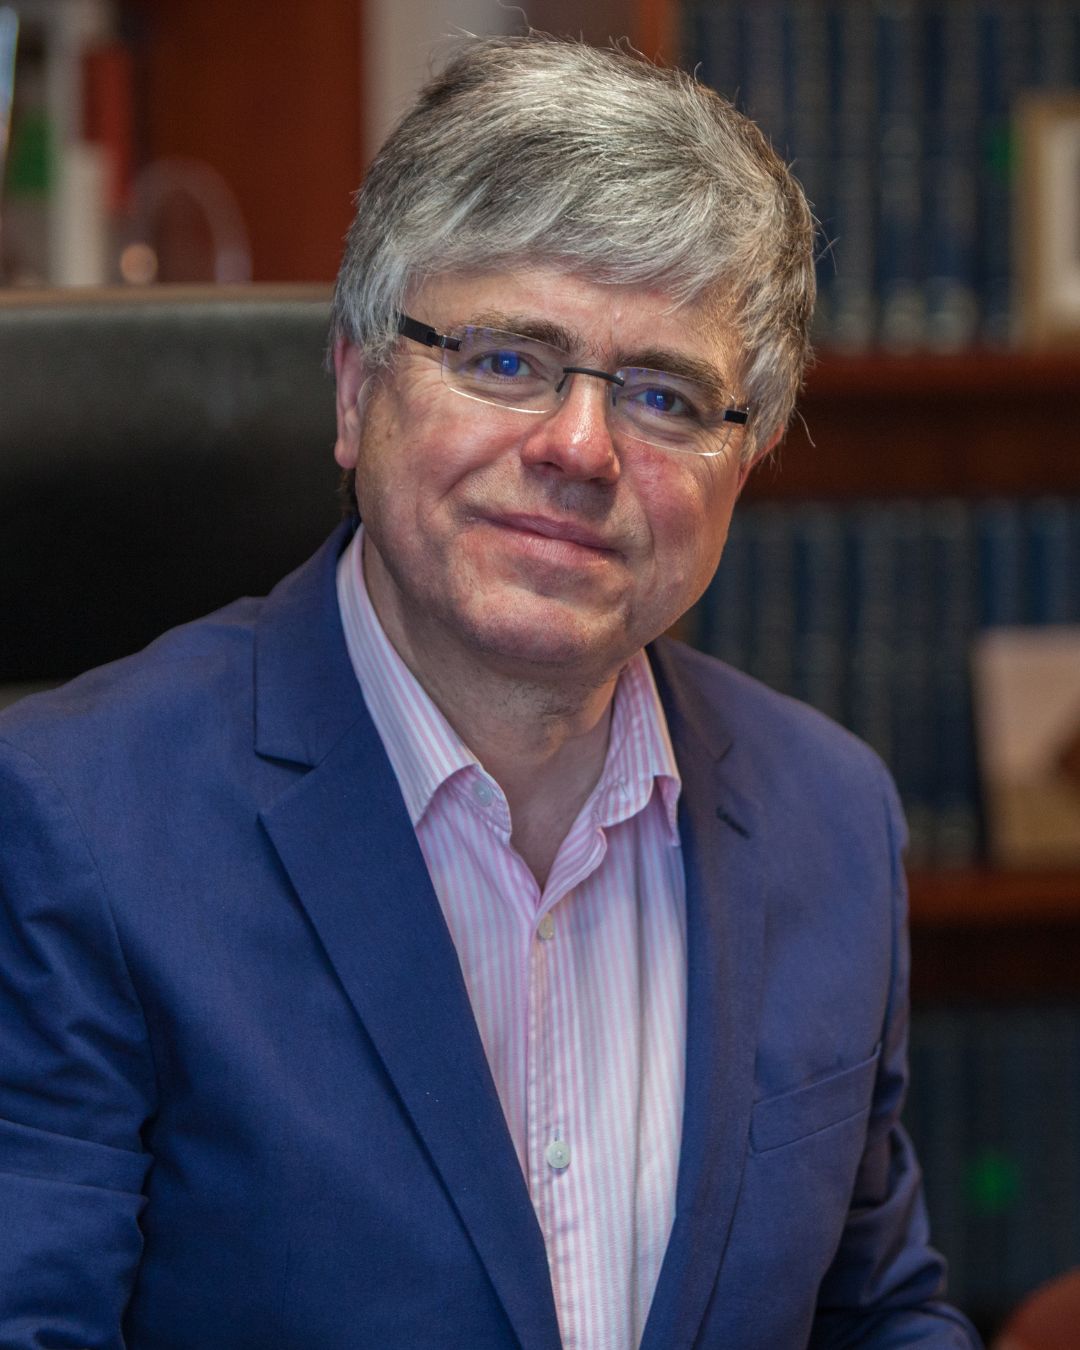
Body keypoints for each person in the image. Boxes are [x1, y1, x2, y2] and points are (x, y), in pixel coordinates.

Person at [0, 34, 980, 1350]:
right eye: (507, 360)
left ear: (742, 465)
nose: (580, 448)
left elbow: (875, 1314)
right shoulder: (70, 823)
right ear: (358, 389)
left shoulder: (832, 816)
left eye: (664, 394)